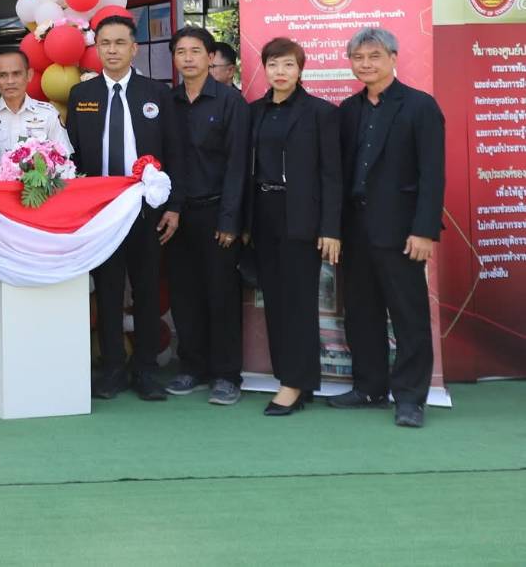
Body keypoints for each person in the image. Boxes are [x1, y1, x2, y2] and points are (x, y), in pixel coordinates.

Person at [65, 15, 186, 402]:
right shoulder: (82, 95)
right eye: (105, 43)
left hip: (146, 209)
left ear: (134, 48)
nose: (112, 50)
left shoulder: (157, 93)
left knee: (147, 289)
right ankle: (113, 368)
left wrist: (174, 206)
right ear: (96, 48)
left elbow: (175, 152)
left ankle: (146, 370)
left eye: (120, 43)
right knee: (108, 291)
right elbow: (73, 156)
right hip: (101, 212)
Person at [330, 27, 444, 428]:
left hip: (402, 232)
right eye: (358, 58)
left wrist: (425, 230)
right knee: (361, 313)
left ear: (393, 58)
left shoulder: (420, 106)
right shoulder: (348, 110)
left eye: (374, 56)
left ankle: (410, 398)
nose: (366, 64)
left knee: (409, 316)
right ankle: (369, 387)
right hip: (355, 230)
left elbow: (433, 174)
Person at [245, 37, 341, 417]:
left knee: (298, 302)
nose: (280, 72)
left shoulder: (321, 113)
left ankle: (294, 384)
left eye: (288, 64)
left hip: (302, 217)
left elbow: (332, 175)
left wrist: (331, 228)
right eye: (273, 64)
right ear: (264, 69)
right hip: (263, 214)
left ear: (300, 69)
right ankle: (291, 377)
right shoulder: (255, 112)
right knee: (275, 301)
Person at [165, 26, 249, 406]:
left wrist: (230, 220)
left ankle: (227, 375)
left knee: (222, 296)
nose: (188, 58)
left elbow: (238, 165)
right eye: (181, 51)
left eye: (195, 51)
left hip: (217, 212)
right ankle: (192, 367)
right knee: (185, 295)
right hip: (177, 215)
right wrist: (171, 208)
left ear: (210, 57)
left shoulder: (231, 102)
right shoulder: (168, 102)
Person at [0, 47, 71, 152]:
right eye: (3, 75)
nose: (10, 81)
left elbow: (63, 155)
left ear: (29, 75)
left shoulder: (48, 113)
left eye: (16, 74)